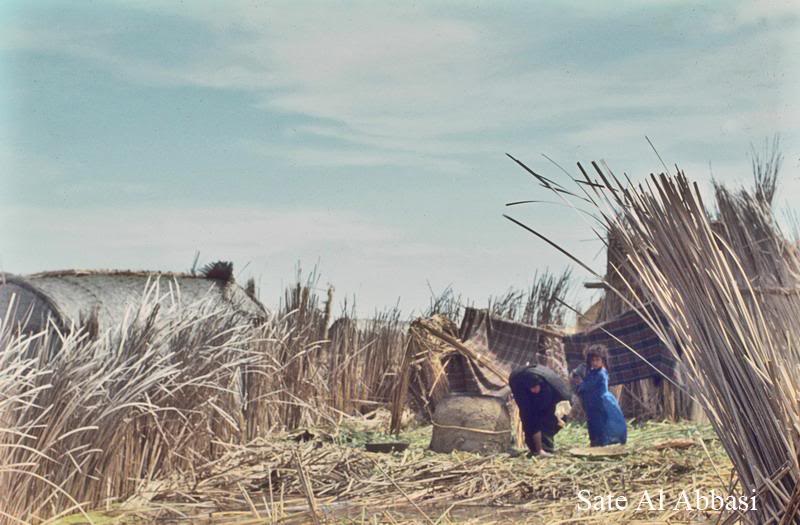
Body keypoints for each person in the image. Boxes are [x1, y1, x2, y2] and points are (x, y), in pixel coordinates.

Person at [508, 365, 569, 456]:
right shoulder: (520, 385)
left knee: (547, 421)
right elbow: (530, 414)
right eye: (531, 388)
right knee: (529, 420)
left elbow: (564, 401)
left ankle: (545, 448)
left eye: (535, 387)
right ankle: (535, 449)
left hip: (548, 401)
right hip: (522, 390)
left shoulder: (549, 387)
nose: (534, 390)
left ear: (539, 384)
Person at [574, 344, 627, 446]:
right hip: (592, 403)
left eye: (597, 360)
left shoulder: (601, 373)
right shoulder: (593, 371)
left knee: (601, 423)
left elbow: (588, 385)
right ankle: (595, 441)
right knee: (592, 422)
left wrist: (580, 384)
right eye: (592, 360)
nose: (594, 363)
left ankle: (603, 442)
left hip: (601, 402)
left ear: (603, 360)